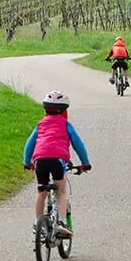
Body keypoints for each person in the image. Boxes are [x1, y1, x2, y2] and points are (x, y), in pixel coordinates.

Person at [22, 91, 91, 238]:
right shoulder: (66, 125)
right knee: (61, 191)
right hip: (58, 160)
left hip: (39, 160)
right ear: (64, 110)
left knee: (41, 191)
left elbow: (29, 144)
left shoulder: (40, 125)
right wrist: (85, 163)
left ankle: (38, 222)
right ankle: (61, 222)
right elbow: (79, 145)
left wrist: (27, 162)